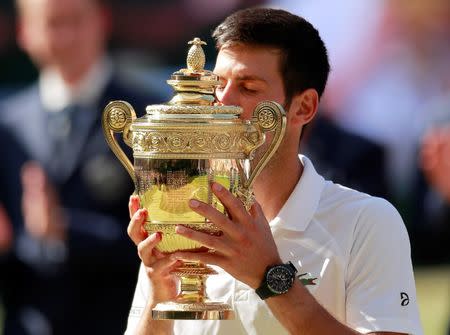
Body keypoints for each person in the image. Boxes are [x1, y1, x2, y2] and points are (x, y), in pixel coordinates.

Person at [124, 8, 423, 335]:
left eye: (248, 88)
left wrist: (269, 276)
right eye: (218, 84)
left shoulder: (368, 222)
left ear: (304, 107)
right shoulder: (179, 220)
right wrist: (158, 293)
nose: (223, 102)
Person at [0, 0, 160, 333]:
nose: (66, 36)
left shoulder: (149, 118)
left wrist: (67, 230)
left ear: (102, 21)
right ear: (24, 32)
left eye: (76, 20)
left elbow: (165, 240)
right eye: (52, 23)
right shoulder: (7, 125)